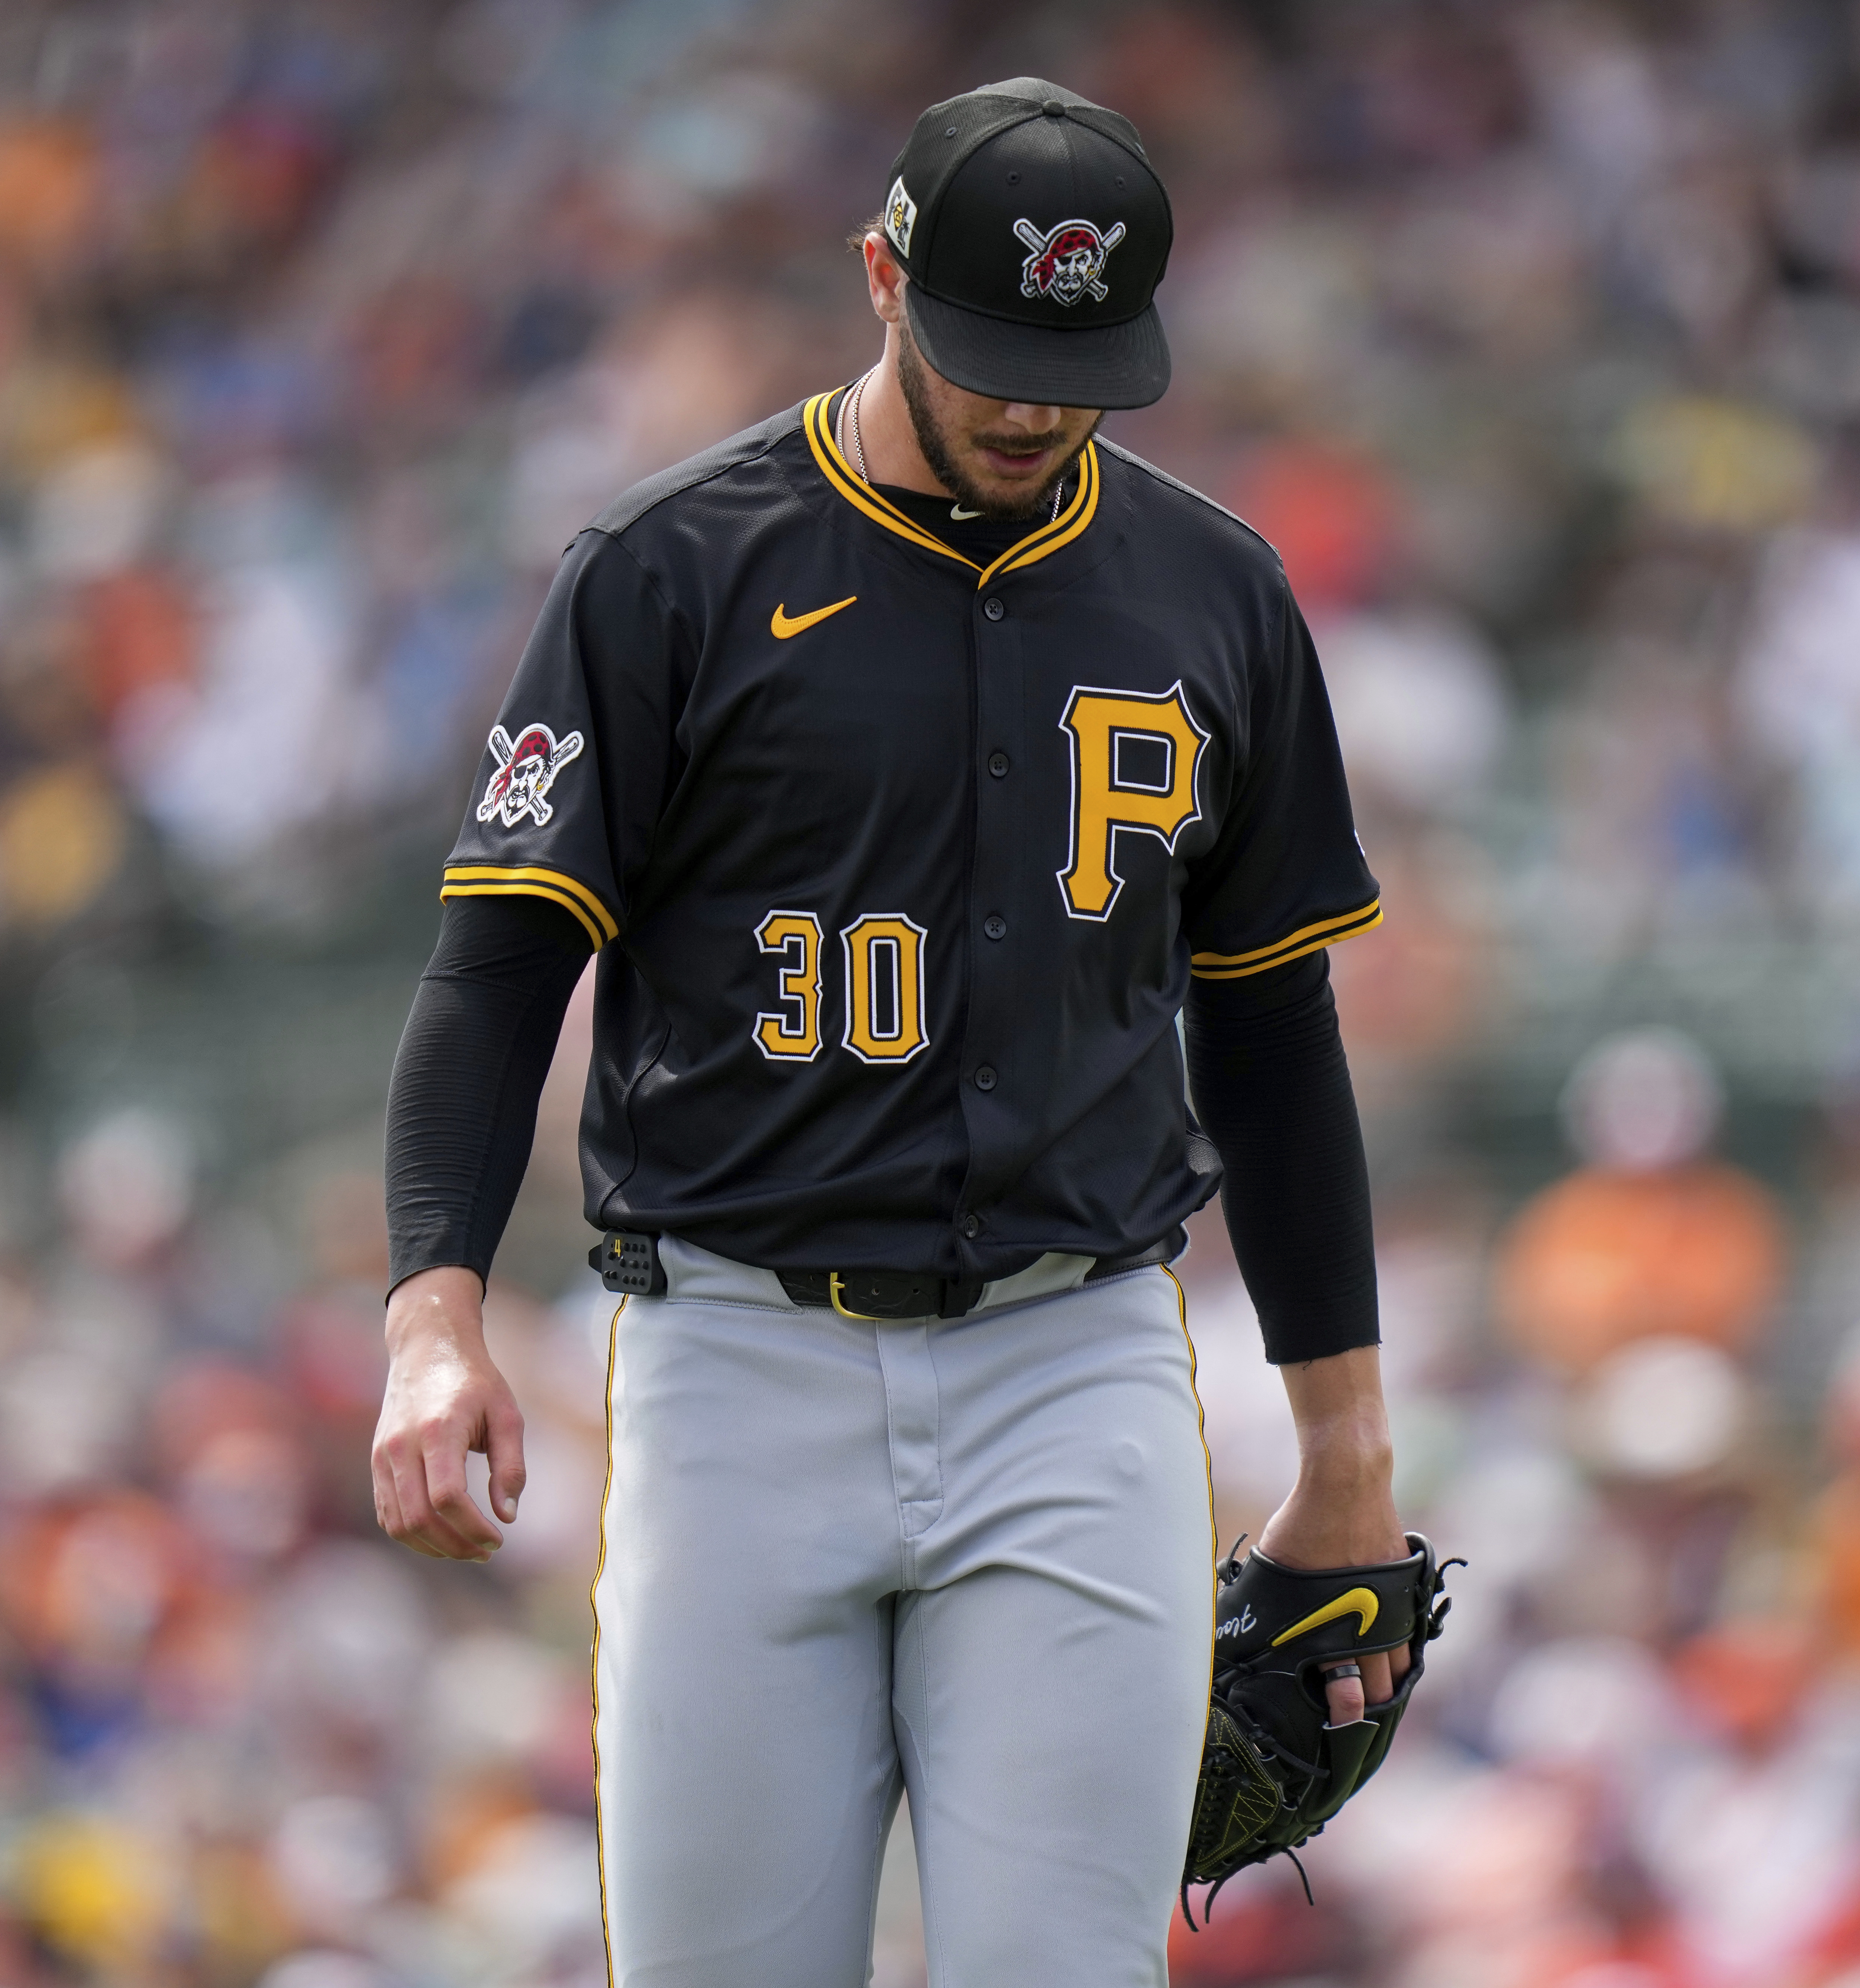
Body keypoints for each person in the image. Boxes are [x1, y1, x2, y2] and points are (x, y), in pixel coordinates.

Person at [374, 78, 1403, 1985]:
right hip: (734, 1364)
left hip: (1072, 1361)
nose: (1030, 405)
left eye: (1075, 362)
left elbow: (1273, 1023)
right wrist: (432, 1315)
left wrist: (1344, 1443)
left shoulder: (1213, 589)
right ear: (878, 279)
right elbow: (497, 963)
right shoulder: (671, 568)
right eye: (991, 350)